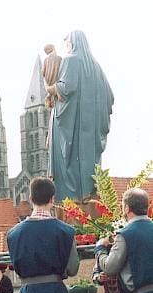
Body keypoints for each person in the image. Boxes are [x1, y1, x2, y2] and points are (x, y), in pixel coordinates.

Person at [47, 30, 114, 202]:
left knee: (68, 166)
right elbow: (110, 96)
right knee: (89, 168)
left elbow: (65, 87)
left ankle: (72, 202)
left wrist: (50, 88)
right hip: (89, 133)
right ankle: (89, 196)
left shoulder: (71, 60)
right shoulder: (96, 66)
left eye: (67, 42)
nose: (66, 46)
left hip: (71, 128)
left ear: (73, 43)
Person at [42, 44, 62, 108]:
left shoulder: (45, 60)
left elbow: (42, 74)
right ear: (52, 49)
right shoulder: (59, 58)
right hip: (58, 90)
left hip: (50, 91)